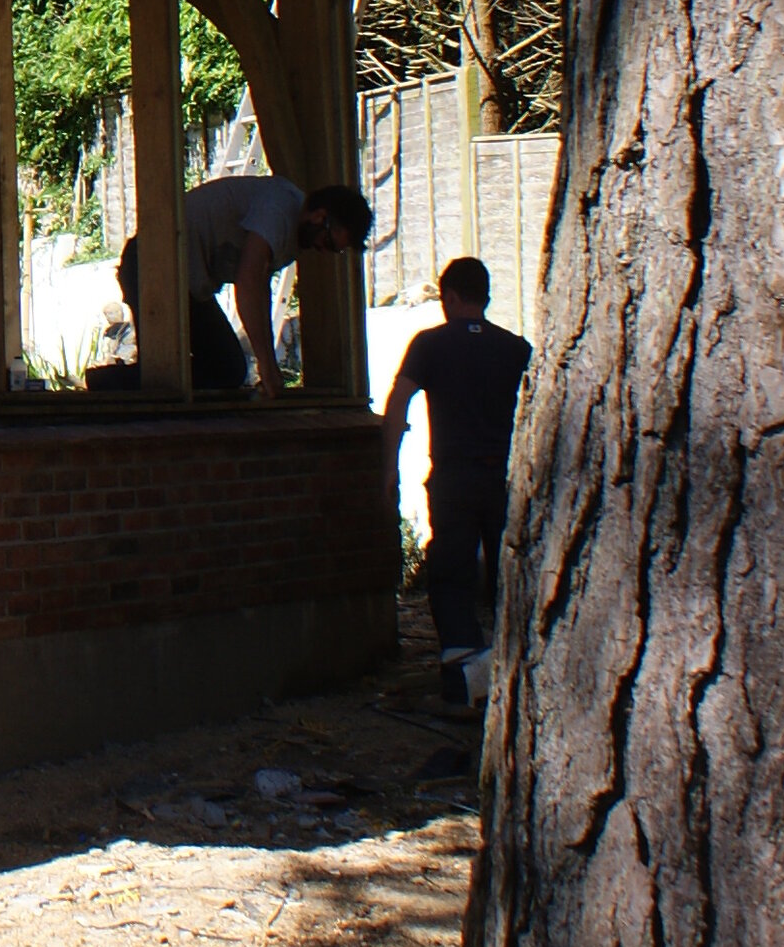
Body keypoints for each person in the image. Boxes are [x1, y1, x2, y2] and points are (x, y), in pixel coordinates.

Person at [379, 254, 531, 703]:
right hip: (504, 476)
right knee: (511, 569)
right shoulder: (516, 348)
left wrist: (389, 466)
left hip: (454, 477)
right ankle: (519, 668)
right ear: (485, 296)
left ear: (448, 297)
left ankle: (465, 681)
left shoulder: (429, 344)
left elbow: (397, 404)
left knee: (451, 575)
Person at [115, 174, 374, 398]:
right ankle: (105, 387)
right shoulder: (280, 207)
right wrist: (267, 365)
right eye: (329, 243)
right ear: (320, 217)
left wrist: (269, 363)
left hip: (188, 284)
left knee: (228, 368)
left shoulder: (293, 235)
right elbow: (248, 280)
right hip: (150, 263)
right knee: (161, 375)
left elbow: (260, 290)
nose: (323, 250)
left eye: (335, 250)